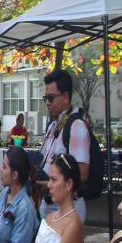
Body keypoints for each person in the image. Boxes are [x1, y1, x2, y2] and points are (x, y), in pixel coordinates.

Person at [38, 68, 91, 221]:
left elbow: (81, 174)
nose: (47, 103)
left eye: (51, 98)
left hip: (67, 207)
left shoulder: (76, 126)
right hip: (48, 203)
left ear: (66, 97)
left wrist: (51, 183)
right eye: (45, 98)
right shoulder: (52, 126)